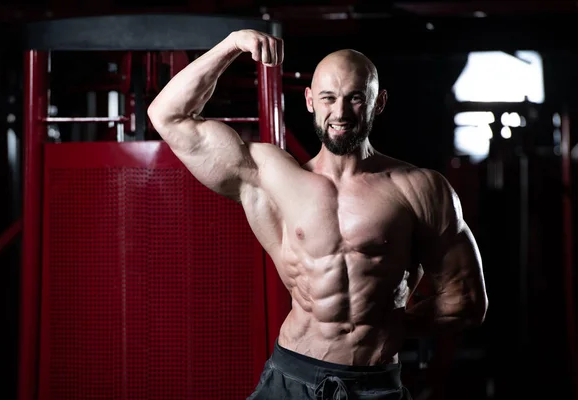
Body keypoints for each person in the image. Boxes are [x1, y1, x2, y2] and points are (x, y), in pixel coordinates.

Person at [147, 29, 488, 400]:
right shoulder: (271, 175)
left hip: (374, 385)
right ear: (310, 100)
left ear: (379, 103)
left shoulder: (421, 189)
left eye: (355, 98)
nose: (339, 112)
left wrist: (385, 323)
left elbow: (465, 301)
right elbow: (168, 116)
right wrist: (231, 44)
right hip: (291, 377)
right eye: (328, 98)